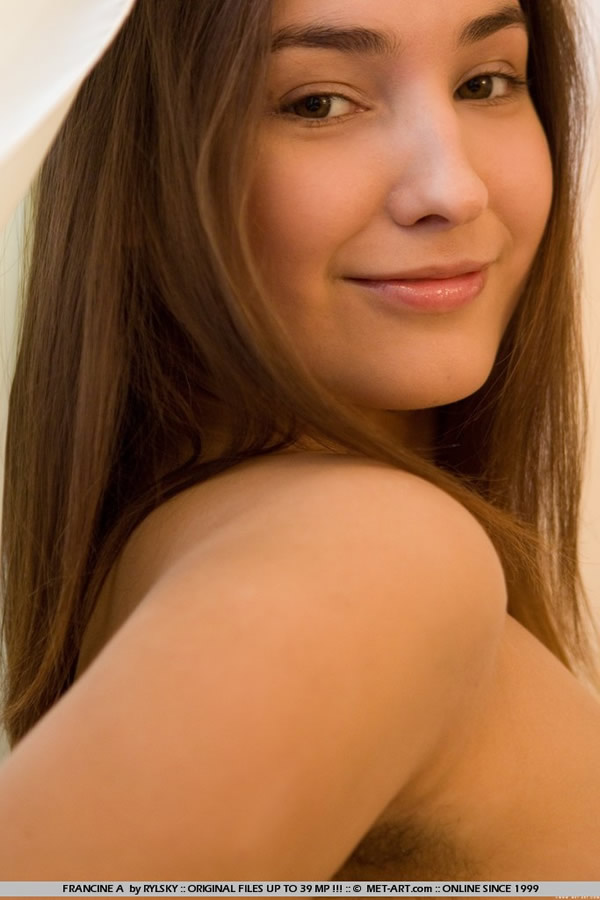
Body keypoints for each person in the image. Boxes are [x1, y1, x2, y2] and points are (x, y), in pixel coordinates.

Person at [1, 0, 600, 881]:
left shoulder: (220, 536)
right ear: (146, 165)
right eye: (318, 103)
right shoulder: (369, 554)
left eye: (485, 83)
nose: (454, 190)